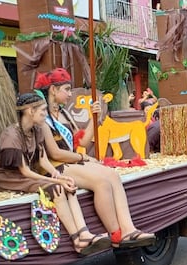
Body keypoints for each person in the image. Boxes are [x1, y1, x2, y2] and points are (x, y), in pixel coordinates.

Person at [35, 69, 155, 248]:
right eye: (67, 89)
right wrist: (84, 157)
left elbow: (82, 140)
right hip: (55, 167)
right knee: (101, 182)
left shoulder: (65, 114)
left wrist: (93, 117)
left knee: (112, 175)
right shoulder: (42, 117)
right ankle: (115, 233)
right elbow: (54, 153)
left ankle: (129, 229)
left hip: (72, 162)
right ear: (53, 89)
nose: (70, 94)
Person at [0, 93, 111, 255]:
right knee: (57, 189)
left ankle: (84, 233)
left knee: (69, 184)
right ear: (29, 111)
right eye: (42, 111)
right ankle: (77, 239)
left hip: (28, 174)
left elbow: (43, 161)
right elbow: (24, 171)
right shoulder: (11, 134)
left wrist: (59, 175)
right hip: (11, 177)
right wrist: (55, 181)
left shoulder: (37, 130)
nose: (45, 115)